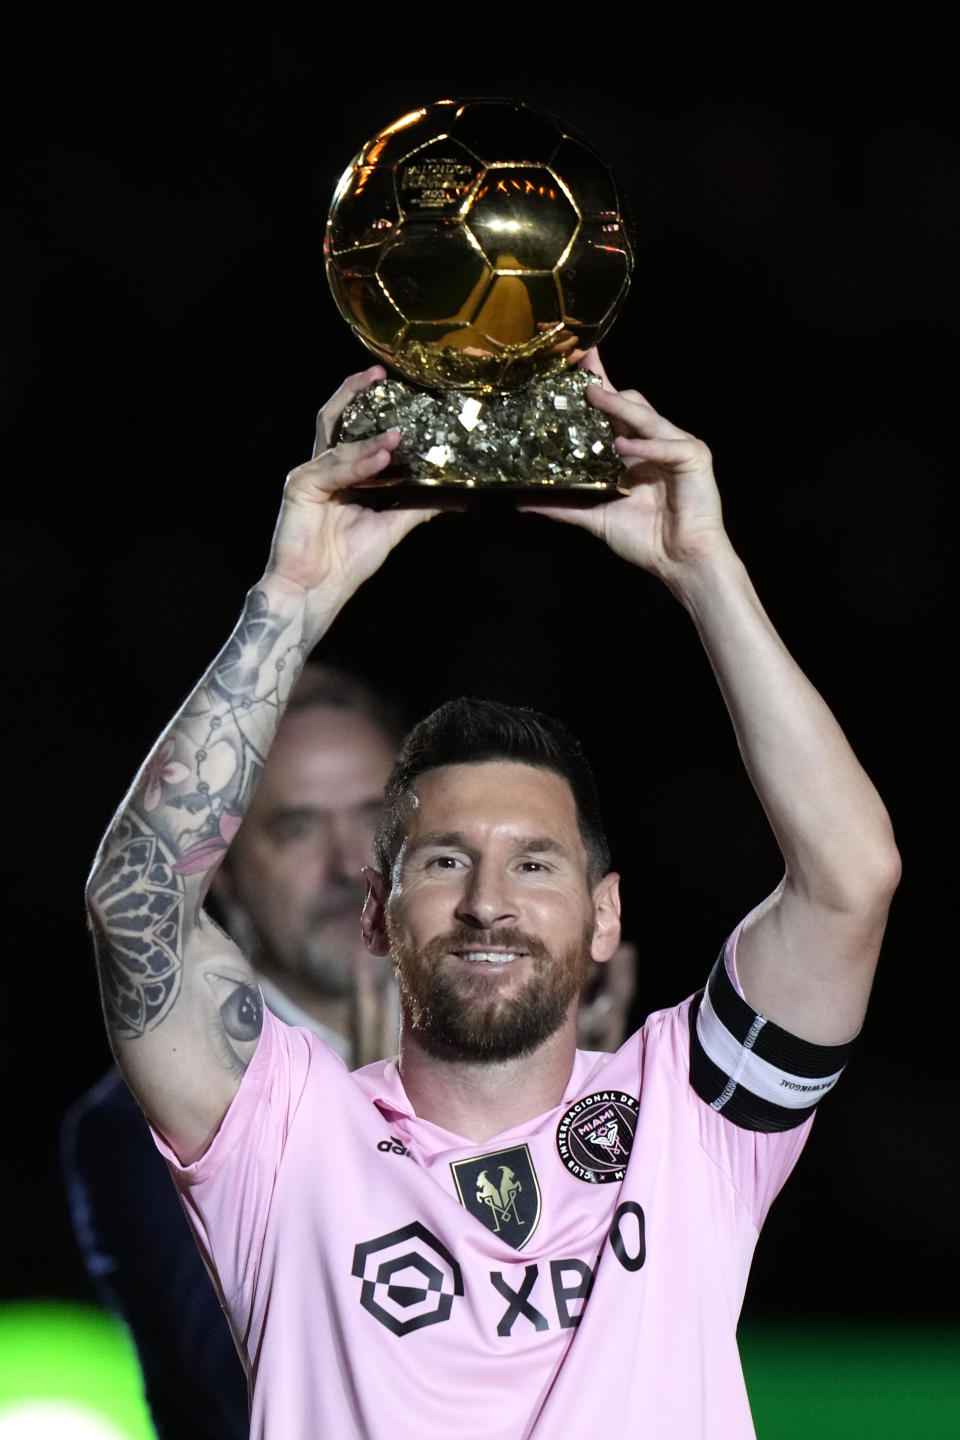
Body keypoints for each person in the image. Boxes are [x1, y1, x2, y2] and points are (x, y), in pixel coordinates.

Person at [84, 359, 900, 1439]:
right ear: (377, 912)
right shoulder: (285, 1136)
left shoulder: (690, 1117)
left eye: (535, 862)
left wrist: (705, 570)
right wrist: (290, 599)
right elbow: (133, 909)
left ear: (605, 914)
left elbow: (852, 880)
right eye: (441, 861)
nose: (487, 901)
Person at [64, 663, 404, 1439]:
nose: (349, 865)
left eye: (378, 818)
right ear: (223, 877)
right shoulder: (131, 1126)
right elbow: (250, 1393)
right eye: (295, 828)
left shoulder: (538, 1062)